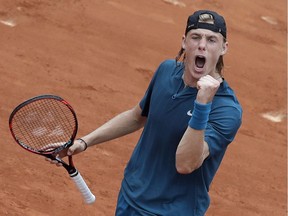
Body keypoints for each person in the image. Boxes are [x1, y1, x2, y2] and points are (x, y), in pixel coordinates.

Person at [48, 10, 242, 216]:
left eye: (212, 40)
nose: (202, 45)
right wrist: (83, 142)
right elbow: (136, 116)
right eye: (196, 37)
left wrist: (202, 105)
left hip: (171, 211)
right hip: (130, 198)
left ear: (223, 48)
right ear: (185, 42)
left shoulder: (226, 109)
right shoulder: (167, 71)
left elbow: (185, 164)